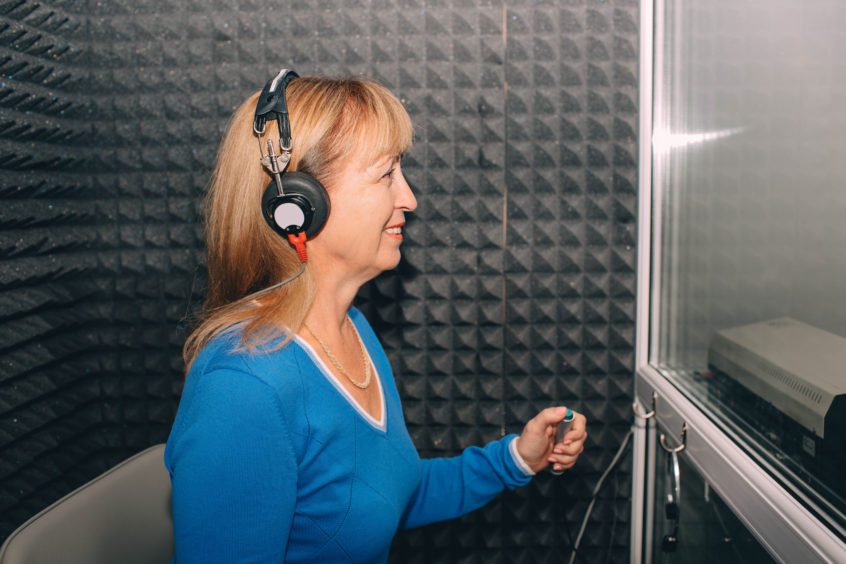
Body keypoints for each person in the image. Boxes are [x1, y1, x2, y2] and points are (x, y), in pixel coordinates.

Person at [164, 70, 587, 563]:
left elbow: (386, 497)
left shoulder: (352, 330)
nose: (409, 198)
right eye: (386, 174)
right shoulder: (243, 386)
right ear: (298, 204)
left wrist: (515, 459)